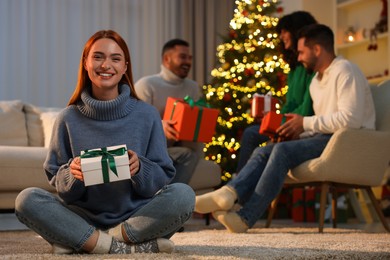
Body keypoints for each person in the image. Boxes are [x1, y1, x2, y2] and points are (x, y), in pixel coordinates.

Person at [15, 30, 195, 254]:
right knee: (27, 199)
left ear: (125, 67)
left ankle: (96, 243)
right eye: (98, 57)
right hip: (83, 218)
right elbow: (61, 186)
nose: (106, 65)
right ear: (86, 63)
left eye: (115, 58)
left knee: (184, 195)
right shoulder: (67, 119)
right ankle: (128, 248)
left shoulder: (147, 116)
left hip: (135, 219)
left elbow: (162, 177)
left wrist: (141, 168)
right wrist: (72, 174)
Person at [194, 24, 376, 233]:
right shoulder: (317, 81)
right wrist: (295, 130)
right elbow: (323, 121)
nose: (298, 58)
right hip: (326, 138)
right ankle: (230, 192)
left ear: (317, 49)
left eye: (301, 52)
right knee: (264, 149)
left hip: (349, 142)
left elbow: (350, 120)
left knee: (281, 152)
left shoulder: (345, 70)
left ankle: (245, 217)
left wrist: (304, 123)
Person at [236, 11, 316, 172]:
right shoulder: (294, 68)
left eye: (285, 31)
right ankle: (240, 182)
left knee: (251, 134)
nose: (281, 36)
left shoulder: (312, 67)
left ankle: (238, 182)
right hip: (289, 120)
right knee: (254, 129)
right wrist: (272, 119)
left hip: (302, 123)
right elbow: (290, 103)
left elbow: (307, 107)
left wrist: (281, 121)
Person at [135, 39, 201, 184]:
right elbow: (134, 124)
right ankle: (167, 199)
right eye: (182, 57)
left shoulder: (192, 87)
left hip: (173, 149)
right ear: (167, 59)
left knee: (190, 153)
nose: (188, 62)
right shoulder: (147, 85)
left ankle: (170, 198)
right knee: (186, 155)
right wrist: (160, 127)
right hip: (148, 151)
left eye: (190, 58)